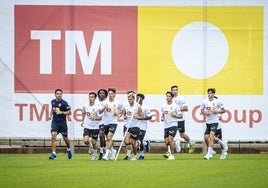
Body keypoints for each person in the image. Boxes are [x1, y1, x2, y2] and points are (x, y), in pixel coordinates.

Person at [164, 85, 195, 158]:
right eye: (173, 90)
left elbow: (186, 108)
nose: (175, 91)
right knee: (169, 138)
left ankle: (190, 143)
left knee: (182, 135)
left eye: (176, 90)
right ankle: (169, 151)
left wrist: (177, 110)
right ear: (171, 91)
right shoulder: (169, 99)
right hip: (171, 121)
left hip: (179, 119)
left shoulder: (181, 98)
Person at [201, 88, 227, 160]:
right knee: (206, 137)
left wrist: (217, 112)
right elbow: (202, 110)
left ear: (214, 94)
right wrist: (205, 113)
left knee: (212, 136)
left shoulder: (218, 101)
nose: (210, 95)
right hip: (208, 122)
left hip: (215, 122)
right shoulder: (204, 101)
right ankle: (220, 144)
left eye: (211, 93)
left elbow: (223, 110)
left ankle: (209, 154)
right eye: (209, 93)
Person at [99, 88, 123, 160]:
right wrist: (104, 107)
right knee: (108, 139)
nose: (110, 95)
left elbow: (122, 110)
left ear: (115, 94)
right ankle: (112, 151)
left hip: (113, 122)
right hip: (105, 123)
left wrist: (118, 114)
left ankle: (106, 154)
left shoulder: (118, 103)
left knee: (109, 137)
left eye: (112, 94)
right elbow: (99, 112)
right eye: (109, 94)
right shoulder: (104, 102)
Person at [48, 89, 72, 160]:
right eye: (57, 94)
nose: (59, 95)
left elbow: (70, 112)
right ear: (55, 94)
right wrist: (50, 115)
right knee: (53, 136)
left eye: (60, 94)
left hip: (62, 124)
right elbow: (52, 109)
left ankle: (68, 149)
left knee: (65, 138)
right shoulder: (53, 101)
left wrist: (62, 112)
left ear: (62, 95)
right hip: (55, 123)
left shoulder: (64, 103)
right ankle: (53, 153)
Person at [122, 91, 144, 161]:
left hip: (135, 126)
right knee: (126, 142)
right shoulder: (126, 106)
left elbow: (142, 117)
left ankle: (134, 155)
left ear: (134, 99)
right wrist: (124, 116)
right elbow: (124, 114)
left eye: (131, 99)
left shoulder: (138, 107)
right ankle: (137, 142)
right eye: (128, 99)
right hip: (127, 126)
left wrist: (136, 117)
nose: (129, 100)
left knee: (133, 143)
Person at [161, 91, 182, 160]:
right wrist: (162, 117)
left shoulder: (175, 106)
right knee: (167, 142)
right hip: (166, 125)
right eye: (167, 96)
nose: (167, 97)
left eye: (169, 96)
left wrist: (175, 115)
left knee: (170, 140)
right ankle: (176, 143)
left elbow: (180, 116)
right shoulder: (164, 106)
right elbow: (163, 114)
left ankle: (172, 156)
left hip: (173, 125)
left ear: (172, 97)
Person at [81, 92, 101, 160]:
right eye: (90, 97)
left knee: (94, 142)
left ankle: (94, 155)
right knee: (85, 140)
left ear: (95, 98)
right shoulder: (85, 105)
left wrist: (94, 118)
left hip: (95, 127)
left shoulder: (97, 107)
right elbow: (83, 112)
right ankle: (90, 146)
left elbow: (100, 118)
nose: (90, 98)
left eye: (92, 97)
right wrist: (82, 121)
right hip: (87, 126)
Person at [136, 93, 152, 160]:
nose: (137, 99)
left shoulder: (145, 107)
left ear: (142, 99)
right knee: (135, 140)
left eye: (139, 98)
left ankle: (141, 155)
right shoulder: (134, 106)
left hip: (143, 126)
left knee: (140, 140)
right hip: (135, 126)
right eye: (137, 98)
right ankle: (146, 143)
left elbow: (150, 117)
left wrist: (142, 118)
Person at [96, 89, 108, 160]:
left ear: (105, 94)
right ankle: (105, 151)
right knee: (101, 137)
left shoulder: (106, 102)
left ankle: (102, 152)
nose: (101, 94)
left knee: (102, 135)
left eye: (103, 93)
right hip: (96, 121)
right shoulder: (96, 102)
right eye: (100, 93)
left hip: (104, 121)